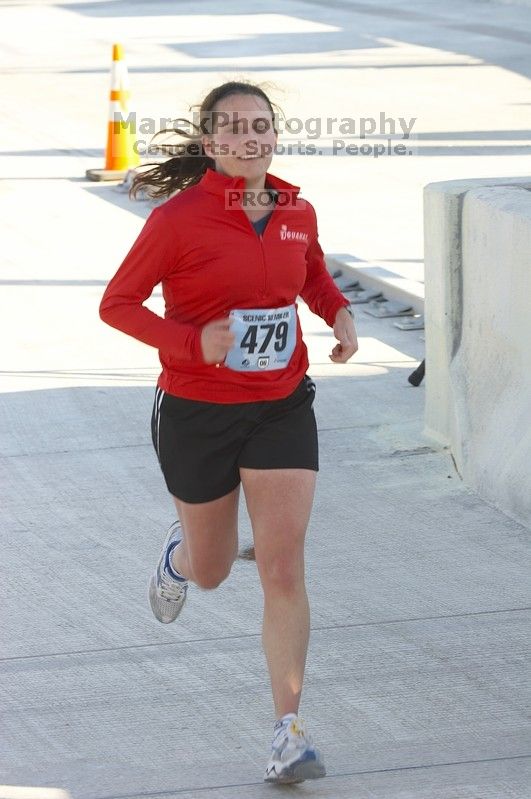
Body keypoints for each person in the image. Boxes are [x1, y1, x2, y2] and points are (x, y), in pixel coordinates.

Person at [99, 80, 358, 784]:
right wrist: (190, 343)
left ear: (274, 136)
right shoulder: (177, 220)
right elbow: (117, 304)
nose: (251, 137)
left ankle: (288, 730)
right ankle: (181, 553)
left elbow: (309, 275)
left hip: (279, 405)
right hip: (197, 409)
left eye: (262, 126)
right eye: (235, 128)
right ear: (211, 143)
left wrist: (336, 315)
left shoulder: (295, 209)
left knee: (282, 564)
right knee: (213, 571)